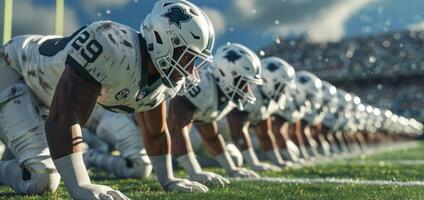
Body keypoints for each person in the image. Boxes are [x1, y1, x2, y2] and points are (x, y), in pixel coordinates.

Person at [0, 0, 214, 199]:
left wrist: (168, 179)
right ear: (162, 40)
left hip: (48, 92)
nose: (190, 69)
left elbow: (155, 132)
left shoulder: (161, 80)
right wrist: (81, 185)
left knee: (35, 167)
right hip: (14, 69)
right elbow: (64, 117)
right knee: (41, 179)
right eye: (187, 56)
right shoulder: (111, 44)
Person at [168, 43, 262, 186]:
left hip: (164, 132)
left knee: (234, 158)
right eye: (243, 82)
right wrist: (195, 172)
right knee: (141, 167)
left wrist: (232, 170)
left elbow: (211, 135)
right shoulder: (203, 84)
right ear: (226, 73)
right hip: (139, 126)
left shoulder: (221, 92)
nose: (247, 89)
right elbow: (176, 126)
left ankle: (176, 161)